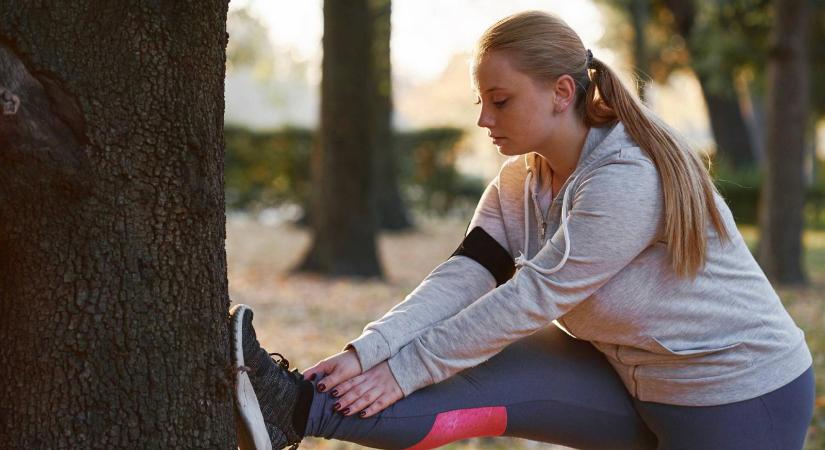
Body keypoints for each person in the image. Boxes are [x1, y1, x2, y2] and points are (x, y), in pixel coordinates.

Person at [230, 10, 815, 450]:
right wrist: (369, 352)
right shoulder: (520, 182)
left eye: (500, 100)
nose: (484, 118)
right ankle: (291, 409)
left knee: (430, 366)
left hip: (737, 395)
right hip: (627, 375)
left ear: (562, 92)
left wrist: (406, 367)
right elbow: (467, 274)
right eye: (481, 100)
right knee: (464, 375)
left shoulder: (626, 178)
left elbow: (533, 297)